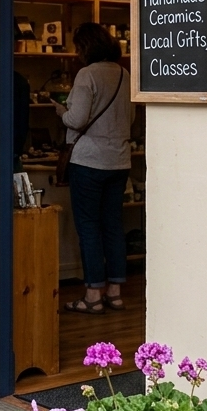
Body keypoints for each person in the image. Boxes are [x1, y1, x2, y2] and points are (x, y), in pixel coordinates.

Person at [54, 22, 132, 314]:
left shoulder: (87, 75)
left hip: (88, 161)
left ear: (86, 47)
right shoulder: (125, 74)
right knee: (113, 225)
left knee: (88, 228)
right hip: (120, 161)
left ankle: (93, 295)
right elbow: (131, 118)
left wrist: (61, 111)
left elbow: (76, 119)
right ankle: (115, 292)